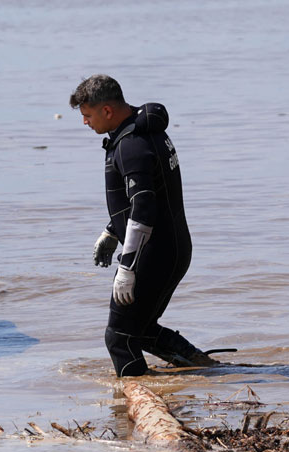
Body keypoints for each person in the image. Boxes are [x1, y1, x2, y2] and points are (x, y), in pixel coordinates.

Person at [69, 74, 216, 376]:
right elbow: (151, 195)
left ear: (107, 110)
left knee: (119, 337)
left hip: (154, 253)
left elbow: (145, 208)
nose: (85, 123)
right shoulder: (146, 128)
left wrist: (127, 267)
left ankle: (135, 398)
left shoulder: (131, 145)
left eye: (87, 115)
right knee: (142, 328)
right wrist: (112, 231)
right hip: (172, 247)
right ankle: (208, 371)